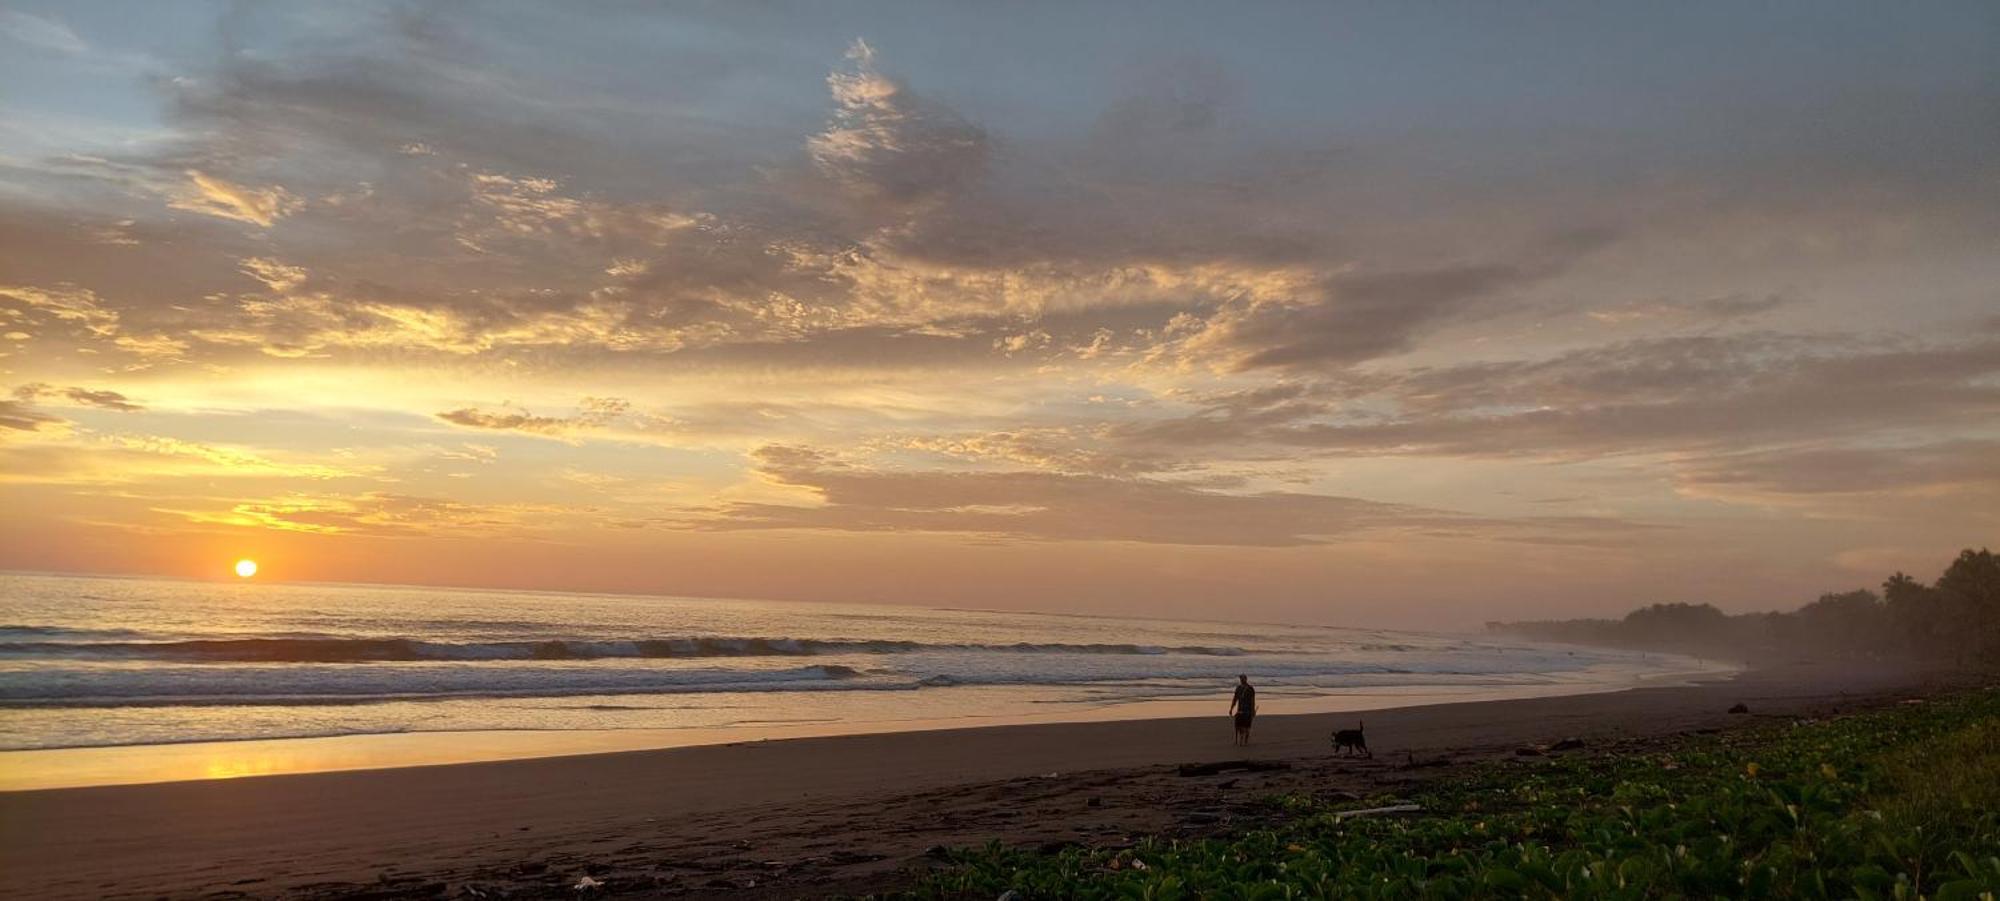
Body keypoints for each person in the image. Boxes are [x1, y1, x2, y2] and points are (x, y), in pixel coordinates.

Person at [1228, 674, 1256, 746]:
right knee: (1239, 726)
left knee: (1247, 727)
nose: (1241, 680)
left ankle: (1245, 741)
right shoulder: (1238, 688)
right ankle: (1241, 740)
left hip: (1248, 711)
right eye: (1241, 679)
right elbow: (1235, 699)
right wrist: (1231, 708)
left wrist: (1253, 711)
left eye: (1243, 679)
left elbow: (1252, 701)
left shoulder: (1250, 689)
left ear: (1246, 679)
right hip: (1240, 710)